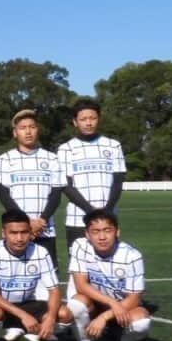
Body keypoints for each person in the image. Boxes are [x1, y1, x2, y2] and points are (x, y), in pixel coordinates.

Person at [0, 209, 69, 341]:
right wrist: (23, 316)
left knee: (64, 314)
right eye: (13, 233)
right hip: (2, 306)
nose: (19, 238)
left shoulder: (41, 252)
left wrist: (50, 319)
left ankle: (30, 338)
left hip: (29, 303)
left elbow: (54, 290)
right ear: (3, 233)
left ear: (30, 232)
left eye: (24, 232)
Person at [64, 210, 151, 341]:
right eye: (95, 231)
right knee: (76, 303)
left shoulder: (132, 256)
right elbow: (81, 285)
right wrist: (111, 303)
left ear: (117, 232)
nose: (102, 237)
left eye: (107, 230)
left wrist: (105, 317)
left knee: (141, 322)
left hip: (123, 308)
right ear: (87, 234)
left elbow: (134, 299)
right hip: (96, 304)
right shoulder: (80, 246)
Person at [0, 109, 65, 268]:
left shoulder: (52, 158)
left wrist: (42, 220)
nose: (28, 131)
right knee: (15, 274)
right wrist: (26, 223)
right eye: (23, 128)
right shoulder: (4, 159)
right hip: (16, 230)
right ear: (15, 133)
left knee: (48, 275)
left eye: (32, 127)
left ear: (37, 130)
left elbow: (56, 194)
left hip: (45, 229)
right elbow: (4, 195)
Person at [57, 98, 127, 247]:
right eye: (83, 119)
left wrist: (107, 210)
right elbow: (66, 186)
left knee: (109, 263)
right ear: (75, 122)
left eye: (92, 118)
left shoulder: (113, 145)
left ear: (98, 119)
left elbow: (118, 181)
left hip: (108, 217)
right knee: (78, 266)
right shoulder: (66, 148)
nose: (88, 123)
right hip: (78, 218)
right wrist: (90, 211)